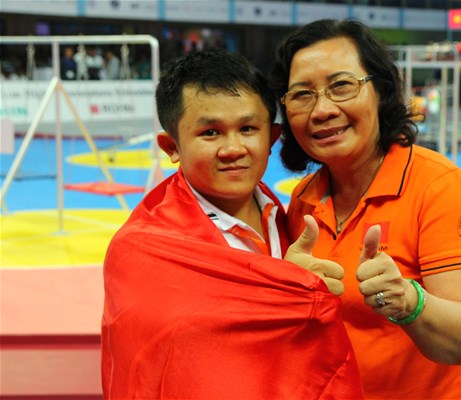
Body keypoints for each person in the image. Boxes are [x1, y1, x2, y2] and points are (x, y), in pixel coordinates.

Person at [101, 48, 364, 399]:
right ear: (171, 146)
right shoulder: (142, 248)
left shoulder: (288, 215)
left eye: (247, 128)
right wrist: (287, 291)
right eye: (211, 132)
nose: (233, 148)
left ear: (271, 139)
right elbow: (153, 366)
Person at [270, 19, 461, 399]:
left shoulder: (438, 186)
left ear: (381, 90)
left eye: (341, 85)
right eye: (302, 94)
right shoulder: (303, 200)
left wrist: (410, 302)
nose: (322, 109)